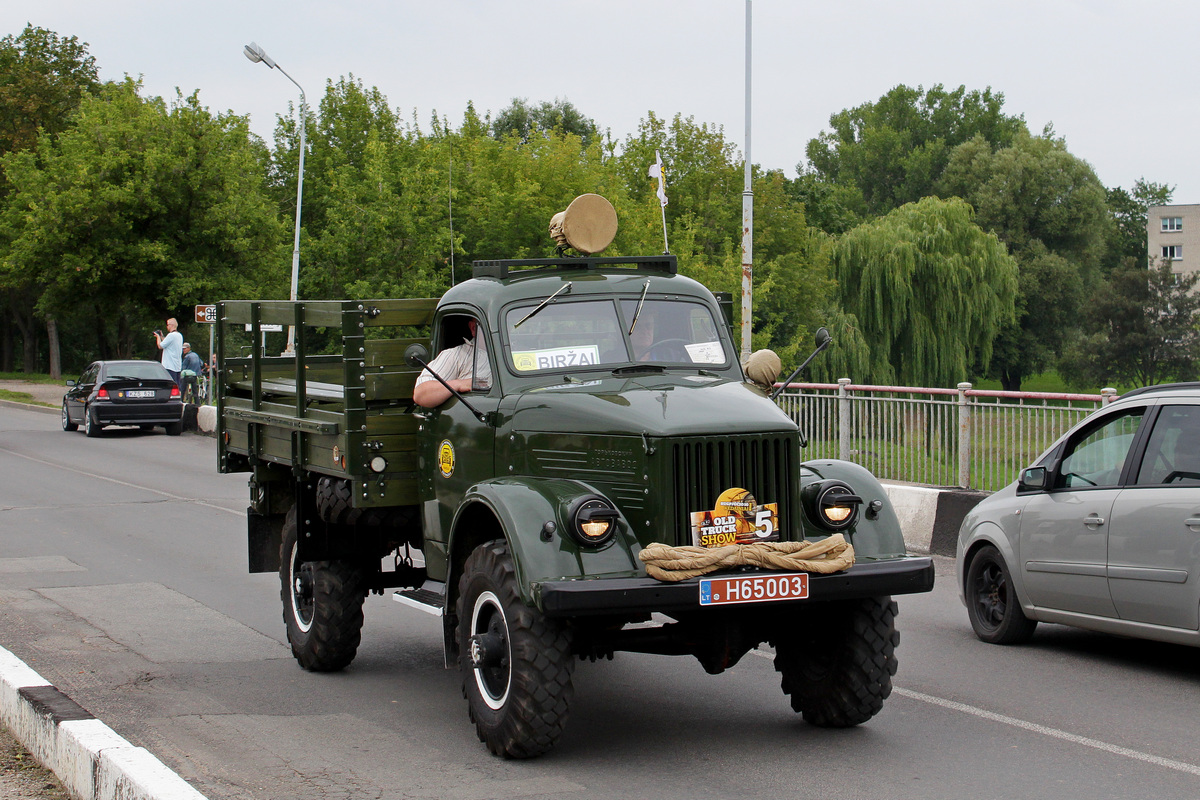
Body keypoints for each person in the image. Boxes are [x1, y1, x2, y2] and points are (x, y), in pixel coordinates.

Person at [413, 318, 491, 408]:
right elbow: (421, 394)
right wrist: (459, 384)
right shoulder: (457, 355)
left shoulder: (510, 355)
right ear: (473, 328)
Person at [154, 318, 184, 388]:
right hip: (177, 366)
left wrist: (158, 337)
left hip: (169, 366)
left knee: (169, 386)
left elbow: (160, 346)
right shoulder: (179, 335)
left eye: (167, 325)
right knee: (177, 385)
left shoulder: (171, 335)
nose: (167, 327)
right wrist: (162, 336)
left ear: (171, 325)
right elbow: (167, 342)